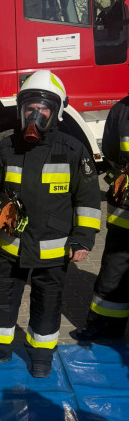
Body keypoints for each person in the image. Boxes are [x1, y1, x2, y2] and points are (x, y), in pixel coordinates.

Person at [0, 70, 101, 378]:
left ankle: (41, 355)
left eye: (43, 107)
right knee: (1, 297)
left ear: (56, 111)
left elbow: (88, 198)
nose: (36, 113)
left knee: (48, 301)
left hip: (53, 247)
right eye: (30, 106)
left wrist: (82, 239)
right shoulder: (6, 148)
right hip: (11, 242)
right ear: (21, 110)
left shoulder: (72, 150)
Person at [75, 93, 129, 341]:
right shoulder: (121, 111)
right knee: (113, 272)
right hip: (124, 216)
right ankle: (104, 327)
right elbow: (110, 152)